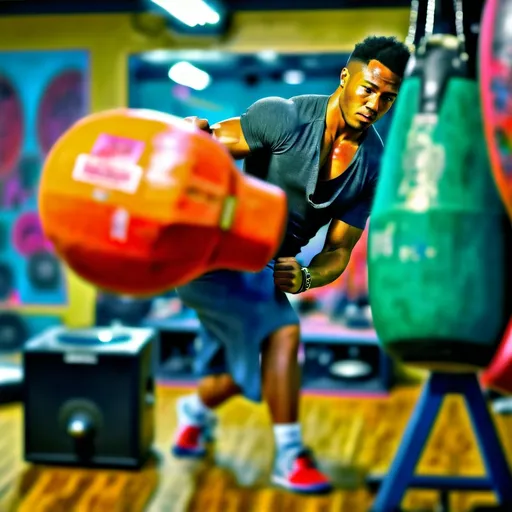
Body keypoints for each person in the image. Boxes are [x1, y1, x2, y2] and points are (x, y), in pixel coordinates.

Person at [171, 35, 411, 493]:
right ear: (345, 77)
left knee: (249, 373)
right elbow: (210, 143)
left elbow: (338, 250)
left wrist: (307, 275)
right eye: (366, 88)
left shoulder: (374, 164)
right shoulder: (283, 117)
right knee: (282, 337)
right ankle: (289, 455)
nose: (373, 104)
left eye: (387, 98)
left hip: (265, 270)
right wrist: (189, 136)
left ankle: (194, 415)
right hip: (218, 254)